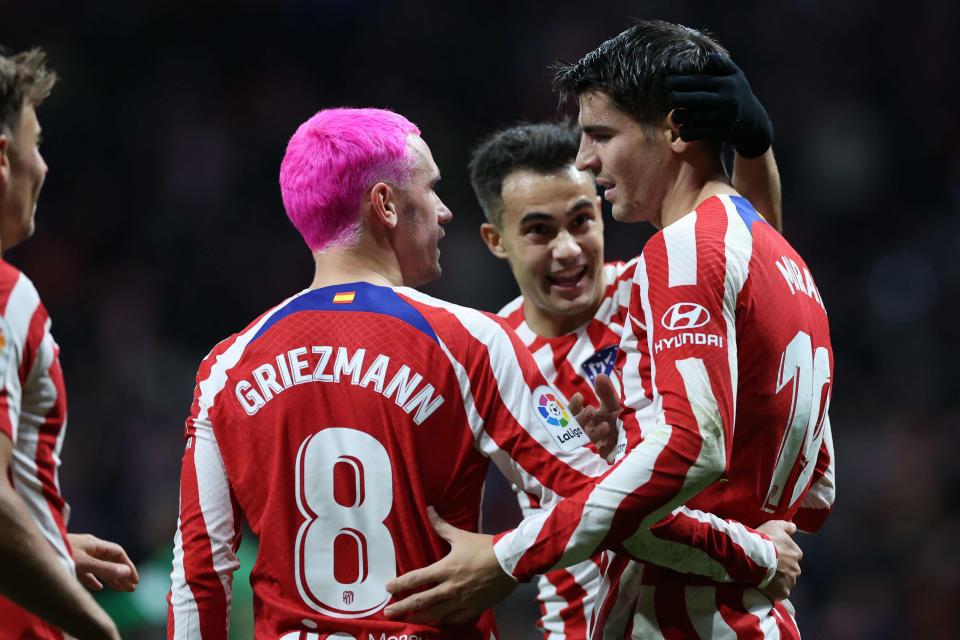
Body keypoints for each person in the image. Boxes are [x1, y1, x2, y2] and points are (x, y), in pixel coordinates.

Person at [167, 107, 797, 640]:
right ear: (385, 204)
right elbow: (600, 501)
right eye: (430, 190)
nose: (443, 213)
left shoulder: (224, 368)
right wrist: (759, 555)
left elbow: (200, 570)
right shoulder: (468, 340)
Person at [386, 20, 835, 639]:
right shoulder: (784, 263)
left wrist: (504, 557)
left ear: (675, 129)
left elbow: (687, 452)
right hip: (702, 611)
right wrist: (750, 542)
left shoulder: (673, 261)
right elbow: (813, 490)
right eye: (540, 230)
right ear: (498, 242)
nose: (586, 157)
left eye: (601, 135)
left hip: (679, 616)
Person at [469, 83, 783, 638]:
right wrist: (756, 552)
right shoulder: (494, 355)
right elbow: (598, 503)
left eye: (581, 220)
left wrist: (754, 147)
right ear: (497, 241)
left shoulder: (651, 283)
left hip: (702, 602)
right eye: (539, 230)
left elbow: (752, 266)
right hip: (585, 621)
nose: (568, 248)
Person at [0, 47, 137, 640]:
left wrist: (45, 541)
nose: (45, 167)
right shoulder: (6, 296)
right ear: (3, 159)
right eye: (37, 145)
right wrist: (94, 630)